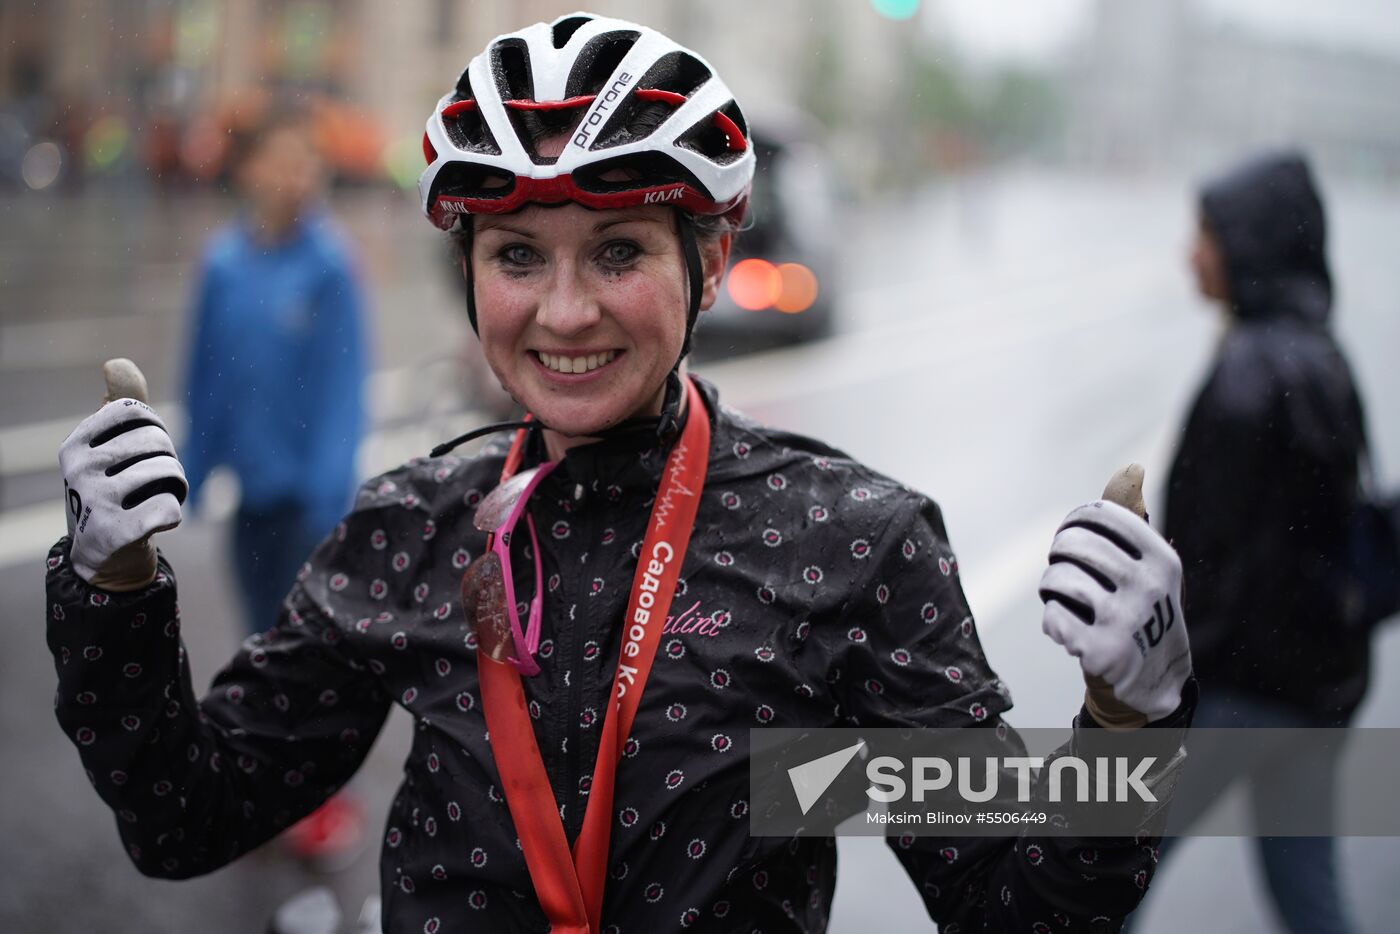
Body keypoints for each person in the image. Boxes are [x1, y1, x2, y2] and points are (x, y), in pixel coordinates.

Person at [48, 14, 1194, 932]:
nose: (562, 312)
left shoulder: (849, 543)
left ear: (709, 262)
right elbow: (185, 818)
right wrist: (114, 592)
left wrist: (1123, 726)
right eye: (514, 255)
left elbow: (1011, 910)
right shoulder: (412, 526)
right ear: (467, 271)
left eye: (617, 251)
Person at [1128, 152, 1367, 933]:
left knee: (1098, 879)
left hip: (1236, 691)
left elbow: (1202, 559)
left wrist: (1160, 693)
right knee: (1309, 894)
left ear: (1253, 246)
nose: (1191, 251)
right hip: (1318, 687)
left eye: (1208, 233)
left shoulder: (1248, 374)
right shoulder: (1320, 354)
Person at [182, 103, 369, 638]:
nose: (298, 177)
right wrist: (193, 469)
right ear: (250, 170)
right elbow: (206, 374)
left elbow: (342, 389)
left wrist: (328, 501)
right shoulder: (223, 263)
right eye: (285, 161)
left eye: (307, 163)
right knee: (256, 635)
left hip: (307, 506)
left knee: (296, 649)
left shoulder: (329, 265)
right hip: (249, 498)